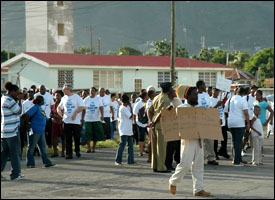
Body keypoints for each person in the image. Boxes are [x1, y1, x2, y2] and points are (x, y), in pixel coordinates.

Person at [169, 86, 211, 197]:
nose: (196, 96)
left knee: (198, 165)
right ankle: (173, 181)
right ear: (187, 96)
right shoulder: (181, 108)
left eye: (197, 94)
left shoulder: (199, 107)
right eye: (194, 94)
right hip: (188, 139)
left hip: (199, 139)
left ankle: (198, 189)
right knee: (185, 163)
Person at [148, 82, 173, 173]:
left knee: (154, 147)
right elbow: (163, 113)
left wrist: (151, 121)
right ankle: (161, 167)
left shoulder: (156, 97)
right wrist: (154, 122)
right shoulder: (166, 99)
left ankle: (155, 165)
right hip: (160, 124)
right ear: (169, 89)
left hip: (154, 125)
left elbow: (149, 111)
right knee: (161, 148)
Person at [1, 82, 24, 181]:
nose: (18, 94)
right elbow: (18, 111)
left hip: (4, 130)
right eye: (17, 92)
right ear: (12, 91)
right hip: (12, 131)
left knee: (4, 153)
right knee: (15, 153)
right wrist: (20, 100)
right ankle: (15, 174)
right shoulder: (9, 100)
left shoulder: (2, 98)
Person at [24, 95, 55, 168]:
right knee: (31, 147)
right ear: (39, 101)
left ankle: (47, 162)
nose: (43, 101)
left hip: (41, 131)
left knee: (43, 147)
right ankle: (30, 163)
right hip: (34, 130)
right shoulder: (34, 107)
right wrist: (28, 124)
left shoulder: (40, 108)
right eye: (42, 100)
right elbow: (26, 115)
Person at [57, 84, 85, 159]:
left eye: (64, 89)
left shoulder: (77, 97)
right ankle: (69, 153)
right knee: (68, 138)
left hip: (75, 121)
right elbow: (59, 107)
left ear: (68, 90)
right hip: (67, 121)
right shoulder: (64, 98)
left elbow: (82, 107)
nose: (63, 90)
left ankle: (77, 150)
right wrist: (60, 113)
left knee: (76, 137)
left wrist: (75, 113)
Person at [224, 87, 250, 166]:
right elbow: (246, 113)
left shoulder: (230, 99)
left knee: (234, 141)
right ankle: (237, 161)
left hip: (231, 122)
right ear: (243, 93)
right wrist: (248, 123)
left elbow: (225, 110)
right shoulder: (242, 100)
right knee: (239, 142)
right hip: (239, 123)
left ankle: (237, 159)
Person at [196, 80, 218, 165]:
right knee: (199, 141)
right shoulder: (194, 95)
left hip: (207, 121)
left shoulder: (206, 95)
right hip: (198, 121)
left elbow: (209, 106)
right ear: (200, 86)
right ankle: (199, 158)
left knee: (209, 140)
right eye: (204, 85)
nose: (205, 86)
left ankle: (211, 158)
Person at [82, 87, 105, 153]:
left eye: (93, 91)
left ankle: (94, 148)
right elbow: (83, 110)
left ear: (95, 92)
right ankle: (89, 148)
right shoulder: (86, 100)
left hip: (96, 119)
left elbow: (101, 108)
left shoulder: (98, 99)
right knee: (88, 133)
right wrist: (82, 118)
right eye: (91, 91)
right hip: (88, 119)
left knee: (95, 134)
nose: (92, 92)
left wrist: (102, 116)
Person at [115, 94, 135, 165]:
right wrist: (130, 107)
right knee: (122, 144)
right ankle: (118, 160)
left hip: (129, 128)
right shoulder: (123, 108)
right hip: (124, 128)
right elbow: (131, 115)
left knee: (130, 145)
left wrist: (130, 107)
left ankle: (130, 160)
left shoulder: (126, 107)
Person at [209, 88, 228, 160]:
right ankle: (215, 153)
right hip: (215, 122)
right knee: (215, 140)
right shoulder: (210, 100)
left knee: (224, 138)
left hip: (222, 120)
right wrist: (217, 105)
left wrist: (222, 105)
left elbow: (223, 109)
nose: (216, 94)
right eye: (215, 92)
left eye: (217, 92)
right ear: (212, 92)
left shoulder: (220, 99)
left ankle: (224, 151)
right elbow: (210, 110)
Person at [165, 88, 181, 171]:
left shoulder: (177, 100)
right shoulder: (167, 101)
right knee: (170, 146)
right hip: (170, 126)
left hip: (177, 125)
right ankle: (168, 163)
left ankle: (177, 159)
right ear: (170, 93)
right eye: (173, 92)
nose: (175, 93)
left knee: (178, 144)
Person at [133, 91, 149, 157]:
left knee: (150, 137)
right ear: (145, 96)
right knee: (141, 138)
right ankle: (141, 151)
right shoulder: (138, 104)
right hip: (140, 123)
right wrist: (134, 122)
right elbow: (134, 113)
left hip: (148, 123)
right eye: (147, 95)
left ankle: (148, 149)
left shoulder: (149, 102)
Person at [242, 87, 256, 156]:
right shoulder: (246, 97)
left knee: (253, 135)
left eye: (256, 89)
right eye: (253, 89)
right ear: (250, 90)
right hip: (245, 119)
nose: (254, 91)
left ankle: (255, 152)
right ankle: (242, 149)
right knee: (245, 135)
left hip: (253, 119)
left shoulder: (256, 99)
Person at [50, 90, 65, 157]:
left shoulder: (64, 105)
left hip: (62, 122)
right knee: (54, 138)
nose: (57, 97)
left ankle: (63, 152)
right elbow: (51, 113)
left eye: (58, 95)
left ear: (61, 96)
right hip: (55, 123)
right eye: (56, 96)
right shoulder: (52, 105)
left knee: (63, 138)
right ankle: (55, 152)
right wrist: (51, 115)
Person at [145, 89, 157, 163]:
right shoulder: (149, 102)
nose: (156, 95)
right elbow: (149, 112)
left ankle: (153, 157)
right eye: (155, 93)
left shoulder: (152, 101)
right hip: (151, 123)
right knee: (151, 141)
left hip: (153, 122)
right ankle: (149, 157)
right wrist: (151, 122)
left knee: (153, 141)